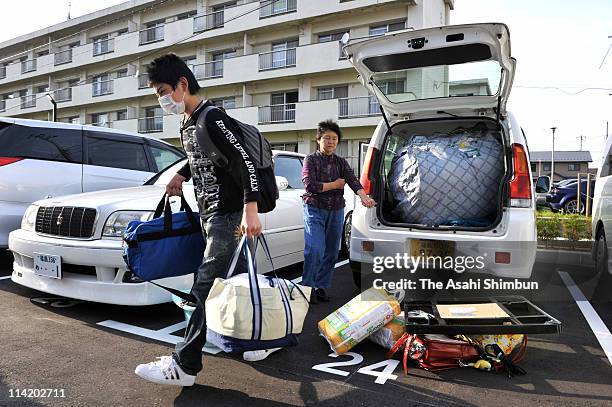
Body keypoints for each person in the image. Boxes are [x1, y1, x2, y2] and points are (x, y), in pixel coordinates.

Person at [134, 54, 263, 386]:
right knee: (227, 284)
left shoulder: (213, 117)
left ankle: (184, 365)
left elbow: (244, 162)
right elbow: (203, 157)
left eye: (163, 91)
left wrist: (251, 210)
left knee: (204, 286)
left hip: (227, 213)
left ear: (182, 84)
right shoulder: (188, 122)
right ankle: (263, 339)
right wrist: (180, 174)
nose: (161, 100)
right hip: (208, 212)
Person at [301, 120, 375, 302]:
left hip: (336, 210)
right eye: (326, 138)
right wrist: (334, 185)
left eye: (334, 138)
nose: (331, 141)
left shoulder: (341, 162)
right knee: (315, 249)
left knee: (333, 252)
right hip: (314, 208)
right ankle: (307, 288)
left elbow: (353, 180)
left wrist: (364, 197)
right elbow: (310, 185)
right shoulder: (310, 159)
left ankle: (321, 286)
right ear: (318, 140)